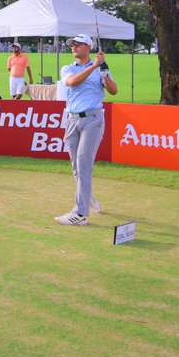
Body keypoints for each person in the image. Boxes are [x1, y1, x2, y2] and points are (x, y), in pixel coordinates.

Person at [55, 34, 118, 226]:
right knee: (76, 166)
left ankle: (80, 214)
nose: (73, 47)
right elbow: (72, 82)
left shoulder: (100, 69)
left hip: (93, 119)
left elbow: (113, 90)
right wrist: (94, 66)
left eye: (78, 44)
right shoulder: (68, 68)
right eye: (72, 44)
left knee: (83, 163)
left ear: (88, 47)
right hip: (72, 120)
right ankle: (87, 197)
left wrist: (104, 72)